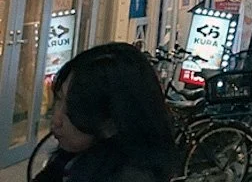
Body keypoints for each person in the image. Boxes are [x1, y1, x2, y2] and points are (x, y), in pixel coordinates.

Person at [39, 43, 176, 182]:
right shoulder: (70, 157)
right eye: (58, 99)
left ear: (113, 119)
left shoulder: (129, 176)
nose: (56, 120)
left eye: (72, 109)